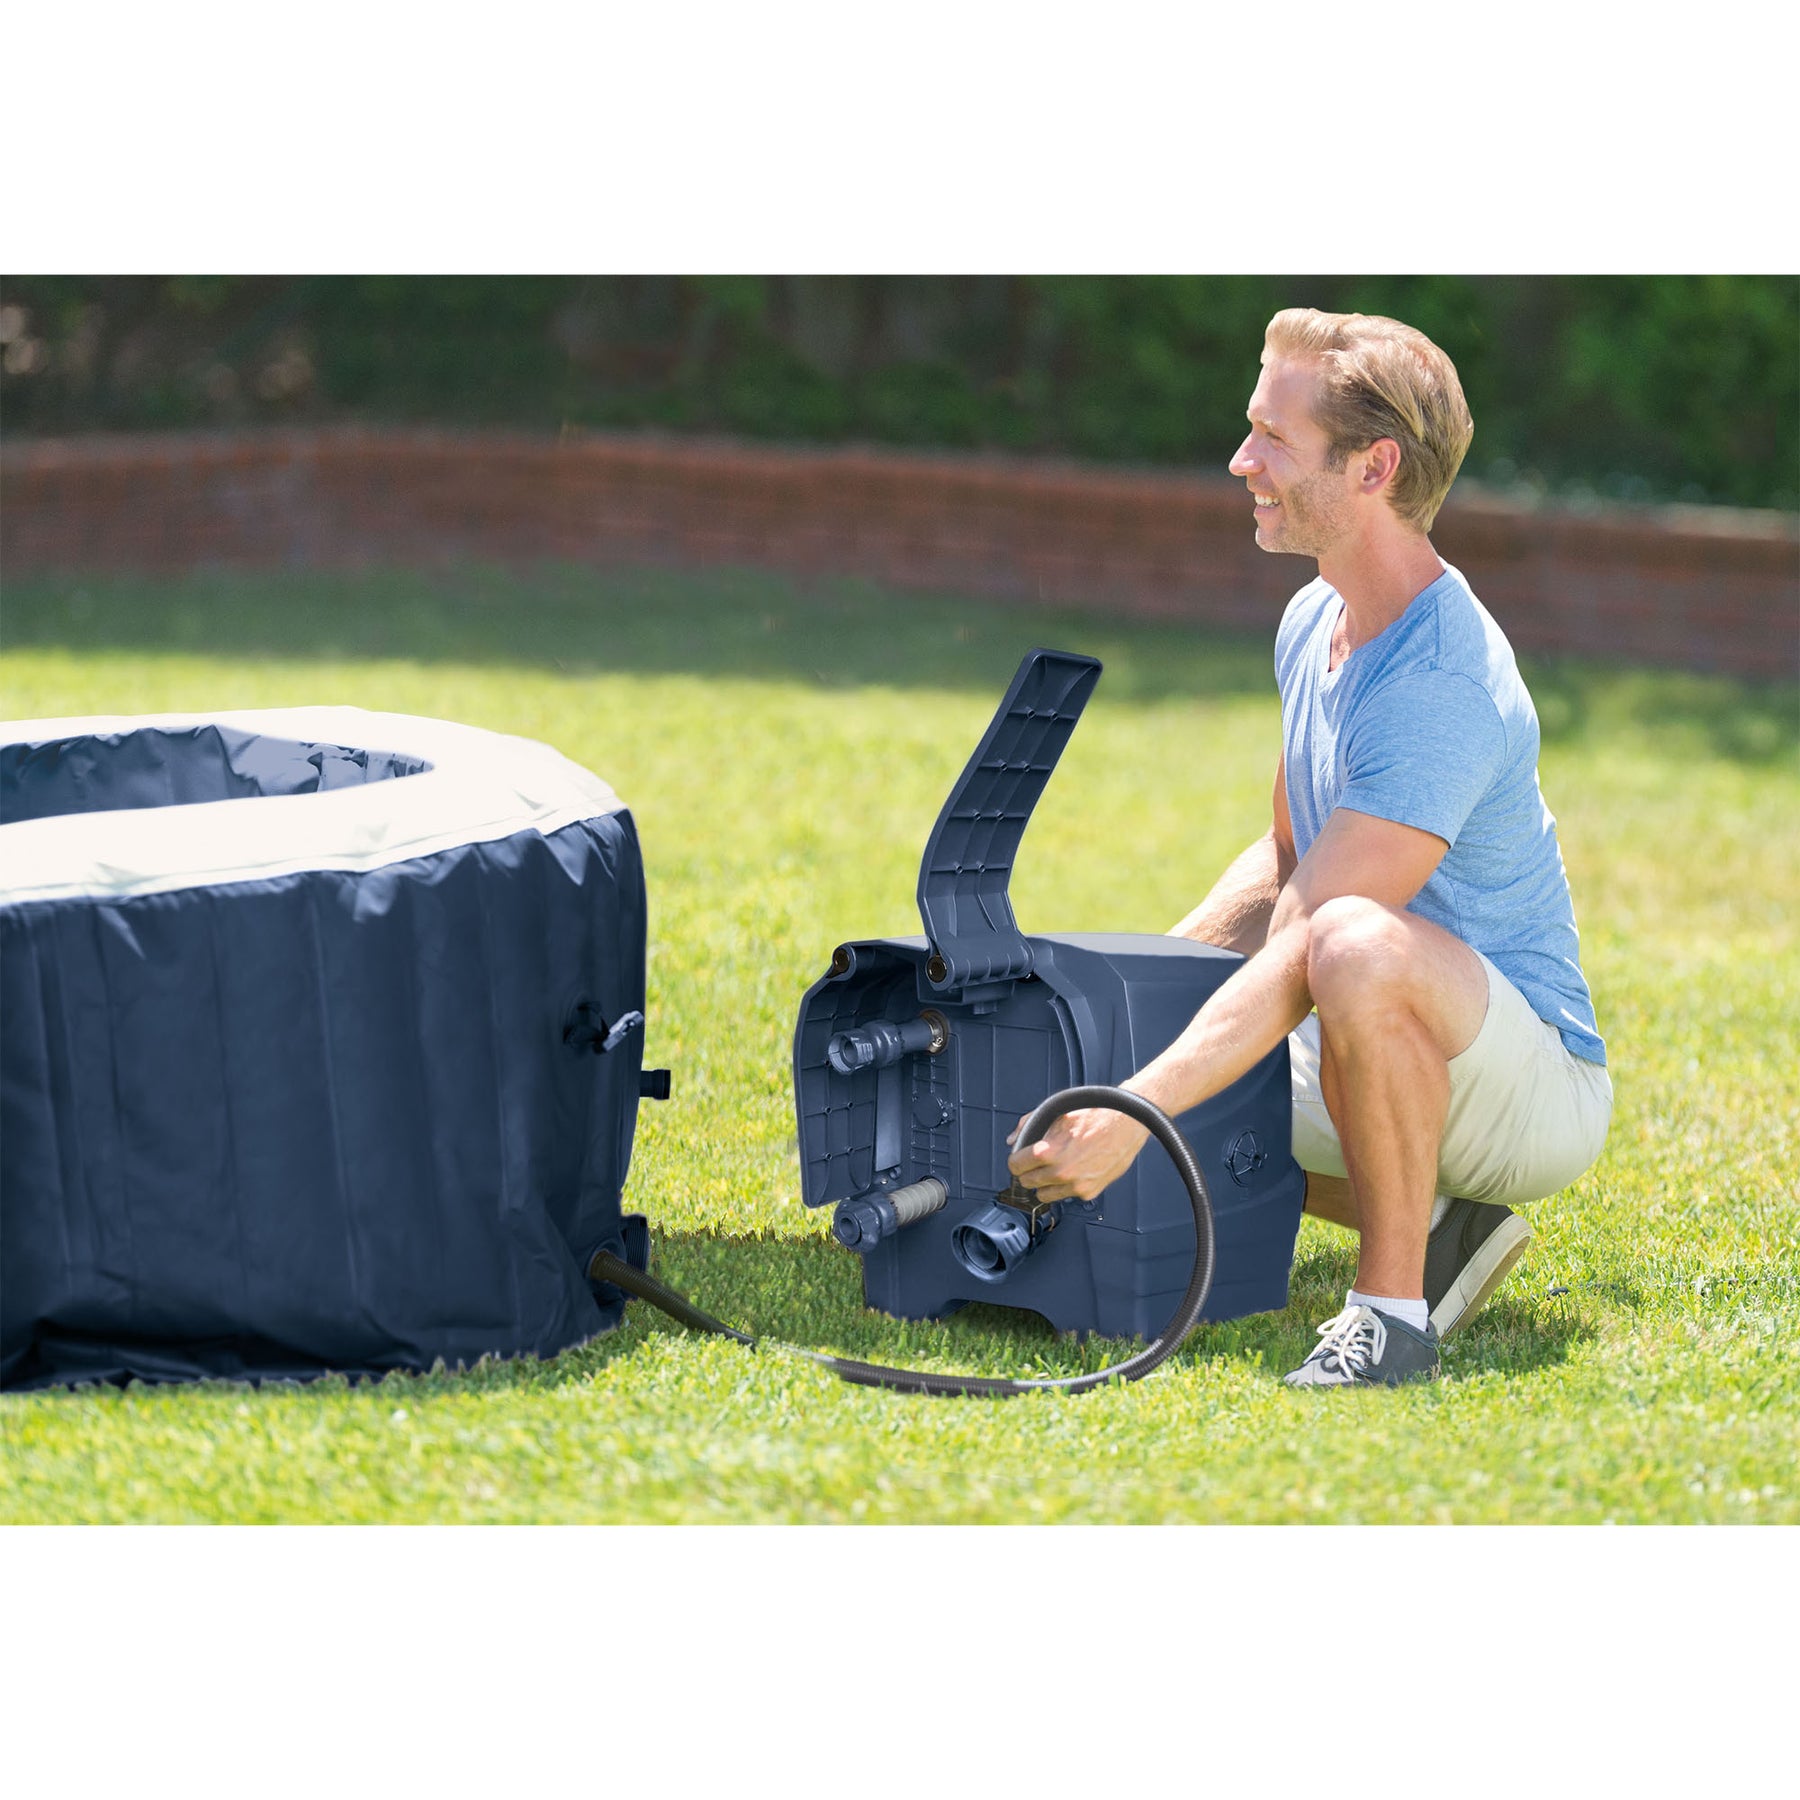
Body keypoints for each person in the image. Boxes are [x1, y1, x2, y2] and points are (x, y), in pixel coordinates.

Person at [1006, 307, 1611, 1388]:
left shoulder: (1440, 681)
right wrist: (1126, 1008)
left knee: (1349, 948)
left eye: (1274, 439)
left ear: (1374, 468)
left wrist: (1139, 1105)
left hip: (1525, 1085)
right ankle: (1443, 1227)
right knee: (1123, 1046)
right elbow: (1286, 861)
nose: (1242, 461)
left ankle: (1391, 1321)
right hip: (1363, 1016)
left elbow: (1315, 940)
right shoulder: (1313, 618)